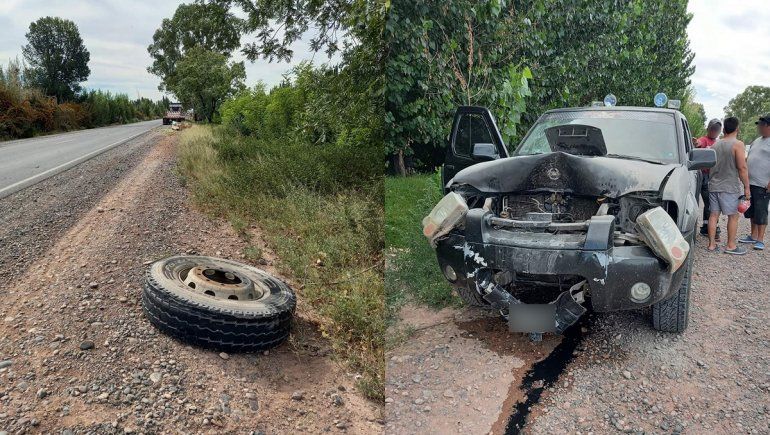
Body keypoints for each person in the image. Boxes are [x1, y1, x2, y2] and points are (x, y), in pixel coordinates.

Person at [707, 117, 751, 254]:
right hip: (729, 187)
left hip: (713, 185)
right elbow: (742, 168)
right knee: (733, 216)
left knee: (713, 215)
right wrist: (747, 187)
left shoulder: (715, 145)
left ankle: (712, 245)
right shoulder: (738, 144)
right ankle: (731, 246)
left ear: (724, 129)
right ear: (737, 128)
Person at [738, 115, 770, 250]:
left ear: (767, 126)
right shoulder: (757, 140)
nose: (759, 127)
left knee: (761, 211)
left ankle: (761, 240)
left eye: (761, 125)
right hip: (750, 182)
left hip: (763, 183)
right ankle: (753, 235)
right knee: (752, 210)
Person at [695, 119, 722, 237]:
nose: (714, 131)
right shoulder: (704, 140)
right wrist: (696, 143)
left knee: (711, 203)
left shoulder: (719, 143)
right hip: (703, 176)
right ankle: (708, 227)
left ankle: (707, 226)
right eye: (713, 128)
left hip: (714, 176)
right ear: (708, 129)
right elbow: (698, 143)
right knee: (710, 203)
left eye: (717, 129)